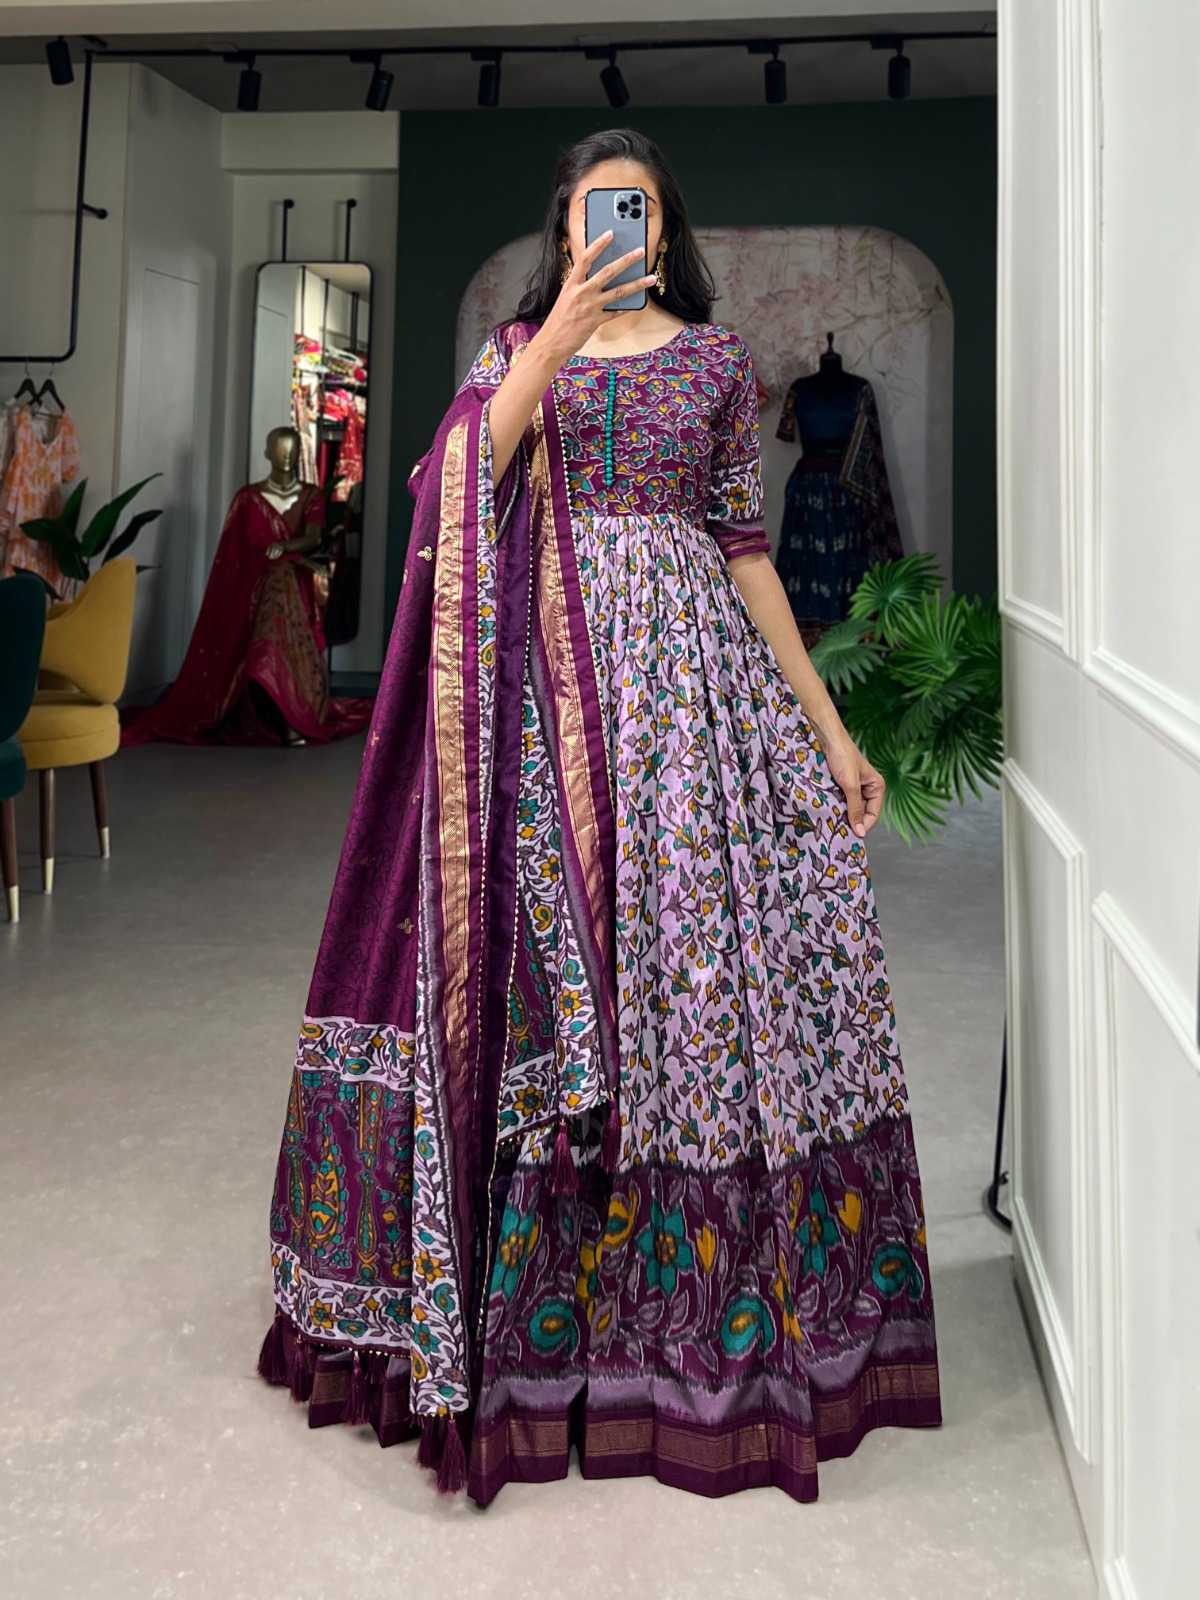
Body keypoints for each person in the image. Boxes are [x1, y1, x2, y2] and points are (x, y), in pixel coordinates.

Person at [256, 128, 943, 1506]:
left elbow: (745, 550)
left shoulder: (716, 362)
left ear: (665, 228)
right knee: (541, 992)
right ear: (563, 234)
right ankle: (531, 1340)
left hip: (693, 709)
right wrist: (555, 340)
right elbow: (455, 490)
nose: (614, 230)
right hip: (538, 710)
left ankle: (692, 1329)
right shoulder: (520, 351)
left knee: (693, 985)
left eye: (636, 211)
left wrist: (831, 731)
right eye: (590, 214)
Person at [120, 427, 371, 747]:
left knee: (281, 591)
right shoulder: (248, 499)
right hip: (250, 583)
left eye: (292, 449)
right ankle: (274, 705)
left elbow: (313, 537)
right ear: (267, 453)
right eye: (279, 449)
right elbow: (233, 553)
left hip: (290, 579)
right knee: (274, 592)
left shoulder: (310, 495)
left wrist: (284, 547)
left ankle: (287, 705)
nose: (286, 456)